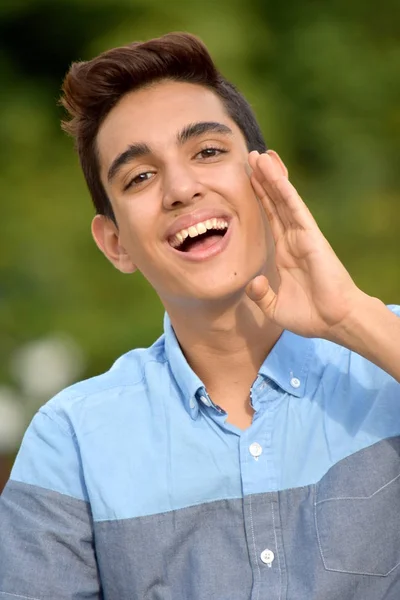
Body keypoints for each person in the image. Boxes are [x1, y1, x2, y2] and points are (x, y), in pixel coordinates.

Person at [0, 32, 399, 600]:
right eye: (139, 177)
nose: (181, 188)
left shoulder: (385, 351)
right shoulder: (71, 442)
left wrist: (352, 318)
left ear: (269, 180)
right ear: (115, 243)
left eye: (208, 152)